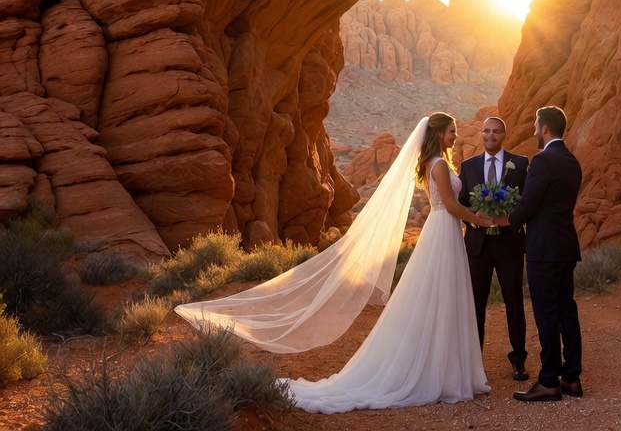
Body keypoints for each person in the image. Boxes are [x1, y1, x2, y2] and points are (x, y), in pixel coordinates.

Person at [176, 113, 493, 413]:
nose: (455, 136)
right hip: (442, 231)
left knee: (442, 297)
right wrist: (480, 220)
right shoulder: (438, 165)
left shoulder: (434, 163)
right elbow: (450, 205)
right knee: (441, 296)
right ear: (439, 133)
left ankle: (444, 369)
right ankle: (440, 373)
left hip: (443, 232)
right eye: (451, 131)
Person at [502, 105, 583, 402]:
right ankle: (571, 378)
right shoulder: (572, 161)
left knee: (547, 314)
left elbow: (529, 202)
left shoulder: (543, 160)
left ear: (544, 128)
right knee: (566, 311)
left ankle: (549, 381)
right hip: (565, 246)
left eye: (537, 127)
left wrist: (508, 219)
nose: (535, 132)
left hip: (543, 250)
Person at [458, 115, 529, 380]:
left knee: (514, 302)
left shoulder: (520, 164)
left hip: (509, 243)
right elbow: (461, 203)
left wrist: (508, 218)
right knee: (475, 303)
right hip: (478, 245)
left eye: (496, 131)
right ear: (481, 133)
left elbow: (526, 202)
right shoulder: (468, 166)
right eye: (486, 131)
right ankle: (475, 364)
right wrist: (475, 215)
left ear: (504, 134)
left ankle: (518, 360)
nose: (490, 136)